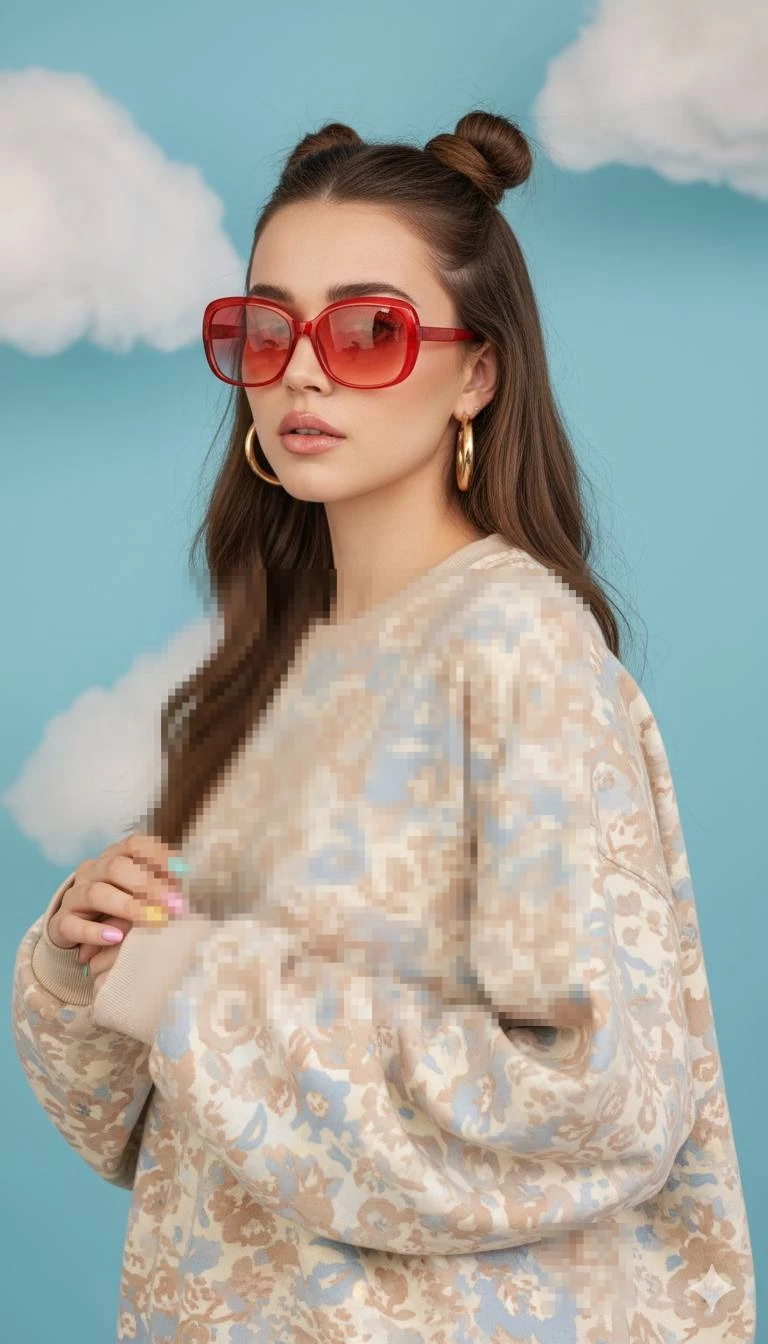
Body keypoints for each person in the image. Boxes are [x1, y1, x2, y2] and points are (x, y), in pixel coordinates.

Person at [12, 110, 755, 1343]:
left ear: (477, 371)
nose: (301, 368)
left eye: (368, 331)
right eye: (264, 326)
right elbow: (163, 1132)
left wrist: (198, 979)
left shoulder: (513, 646)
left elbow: (606, 1098)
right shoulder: (271, 666)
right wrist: (84, 955)